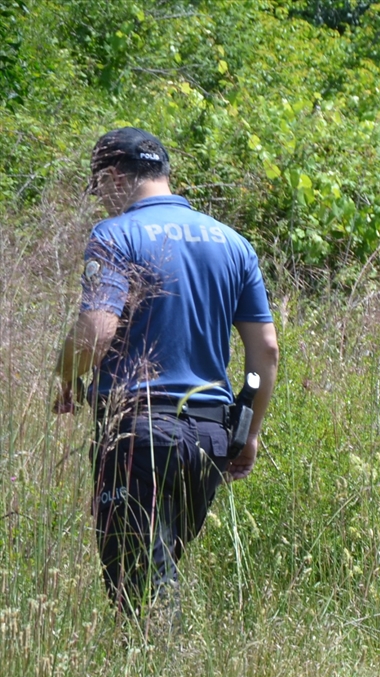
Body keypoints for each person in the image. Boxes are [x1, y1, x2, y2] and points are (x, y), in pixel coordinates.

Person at [53, 127, 279, 629]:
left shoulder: (114, 235)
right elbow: (265, 350)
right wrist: (251, 432)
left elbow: (96, 330)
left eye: (100, 187)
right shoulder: (233, 242)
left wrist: (65, 375)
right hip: (209, 437)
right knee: (157, 575)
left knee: (142, 598)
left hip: (137, 435)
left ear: (112, 177)